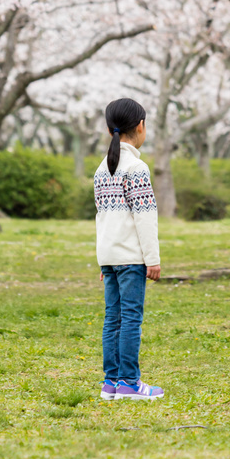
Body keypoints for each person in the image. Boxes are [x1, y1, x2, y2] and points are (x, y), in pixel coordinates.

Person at [94, 97, 164, 400]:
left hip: (110, 256)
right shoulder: (136, 167)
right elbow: (145, 217)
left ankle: (111, 382)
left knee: (113, 318)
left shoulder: (101, 169)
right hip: (131, 259)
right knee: (131, 319)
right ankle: (129, 383)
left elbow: (101, 217)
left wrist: (102, 261)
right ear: (140, 126)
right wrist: (153, 259)